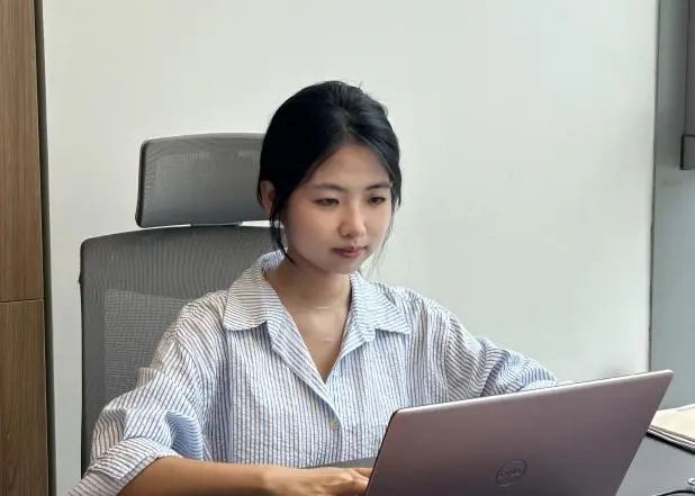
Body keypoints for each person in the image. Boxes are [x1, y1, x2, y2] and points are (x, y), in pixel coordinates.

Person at [70, 81, 557, 496]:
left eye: (376, 199)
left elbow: (545, 403)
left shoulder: (418, 324)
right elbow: (120, 465)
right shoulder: (210, 330)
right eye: (328, 201)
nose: (356, 226)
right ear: (272, 198)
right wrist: (271, 482)